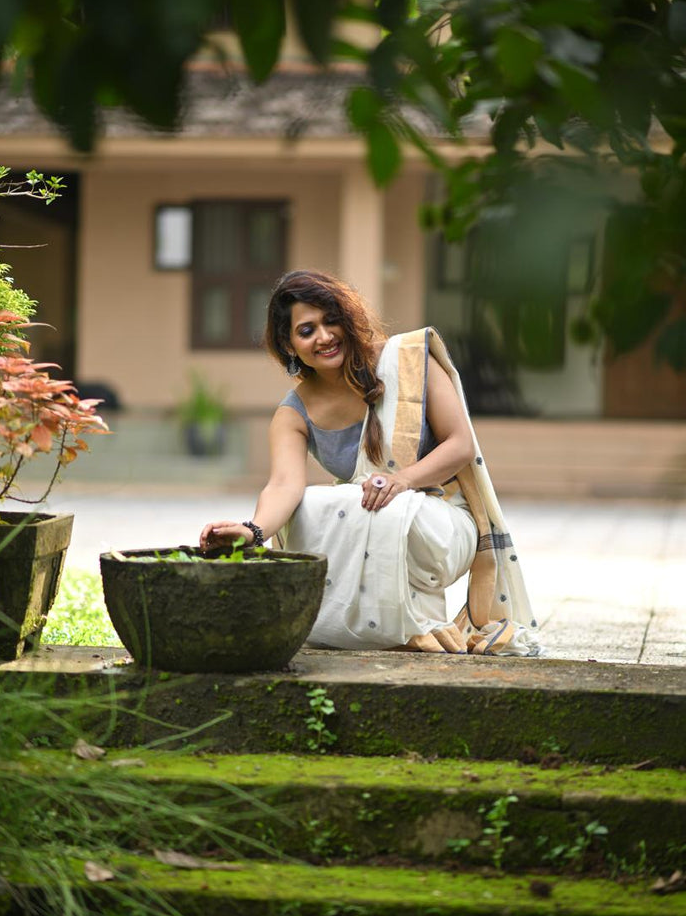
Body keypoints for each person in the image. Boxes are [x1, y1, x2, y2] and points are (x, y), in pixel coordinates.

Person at [199, 270, 541, 656]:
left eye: (331, 320)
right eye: (307, 330)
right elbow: (283, 485)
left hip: (441, 524)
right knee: (309, 508)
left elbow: (461, 445)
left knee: (375, 506)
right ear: (289, 345)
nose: (324, 337)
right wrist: (253, 531)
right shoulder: (292, 414)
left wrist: (403, 481)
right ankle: (399, 632)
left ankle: (414, 626)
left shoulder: (409, 361)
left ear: (348, 318)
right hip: (374, 513)